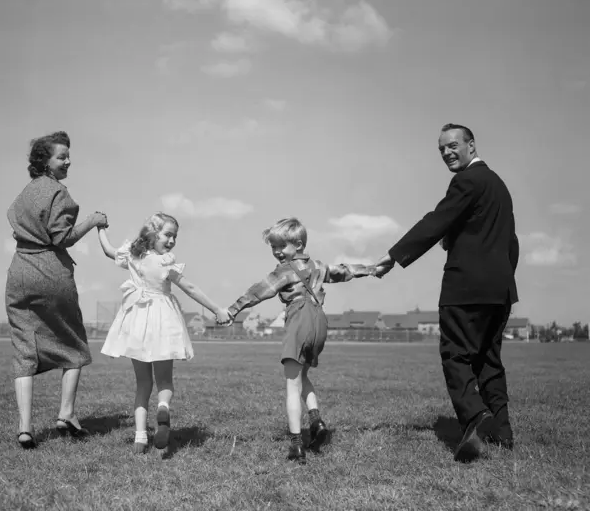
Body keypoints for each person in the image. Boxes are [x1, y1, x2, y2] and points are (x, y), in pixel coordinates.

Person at [374, 123, 518, 462]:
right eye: (441, 149)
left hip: (466, 288)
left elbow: (437, 218)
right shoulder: (498, 185)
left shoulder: (468, 180)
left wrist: (394, 255)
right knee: (489, 361)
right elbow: (509, 241)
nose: (447, 153)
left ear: (471, 145)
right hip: (500, 289)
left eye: (453, 145)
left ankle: (476, 417)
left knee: (456, 355)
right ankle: (503, 431)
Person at [220, 218, 376, 464]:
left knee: (291, 385)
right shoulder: (319, 266)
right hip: (320, 322)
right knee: (303, 377)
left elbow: (258, 292)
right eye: (273, 247)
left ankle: (296, 445)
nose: (277, 252)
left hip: (300, 320)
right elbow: (344, 271)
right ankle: (316, 421)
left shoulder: (285, 271)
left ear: (299, 244)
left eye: (281, 246)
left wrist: (232, 310)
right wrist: (372, 269)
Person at [6, 131, 108, 449]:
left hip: (19, 271)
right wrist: (91, 221)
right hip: (51, 273)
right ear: (45, 162)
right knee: (73, 345)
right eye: (62, 156)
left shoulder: (24, 194)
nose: (68, 161)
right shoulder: (60, 194)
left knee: (24, 350)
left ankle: (25, 428)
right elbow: (61, 238)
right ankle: (65, 415)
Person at [97, 213, 230, 453]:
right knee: (165, 380)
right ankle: (163, 407)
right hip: (162, 323)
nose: (172, 241)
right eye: (168, 234)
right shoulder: (165, 262)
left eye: (174, 236)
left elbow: (108, 251)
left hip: (137, 322)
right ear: (153, 232)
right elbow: (189, 287)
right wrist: (216, 309)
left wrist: (100, 229)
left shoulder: (133, 254)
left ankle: (140, 438)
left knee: (142, 384)